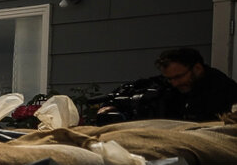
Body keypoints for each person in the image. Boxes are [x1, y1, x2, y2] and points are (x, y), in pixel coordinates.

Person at [91, 47, 237, 123]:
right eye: (170, 79)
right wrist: (113, 104)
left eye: (178, 77)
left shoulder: (222, 90)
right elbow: (139, 86)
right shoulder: (169, 84)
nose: (174, 83)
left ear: (197, 68)